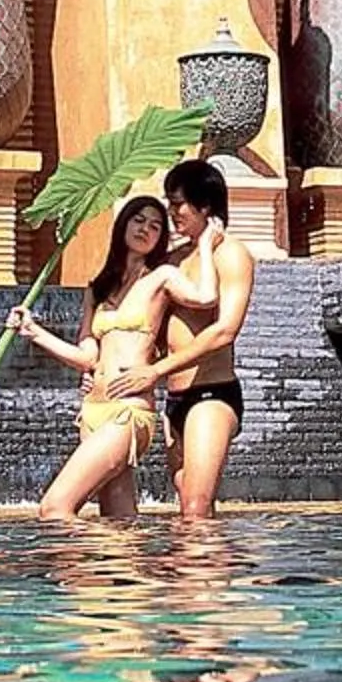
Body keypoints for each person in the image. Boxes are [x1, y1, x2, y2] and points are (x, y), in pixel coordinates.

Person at [8, 195, 185, 521]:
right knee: (118, 522)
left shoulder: (162, 278)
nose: (145, 228)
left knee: (55, 508)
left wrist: (205, 244)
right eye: (139, 220)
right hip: (92, 412)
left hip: (127, 412)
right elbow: (87, 356)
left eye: (156, 226)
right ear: (123, 225)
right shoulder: (98, 288)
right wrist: (34, 331)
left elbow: (207, 298)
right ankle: (130, 572)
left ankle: (79, 572)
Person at [96, 158, 255, 519]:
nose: (171, 212)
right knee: (187, 498)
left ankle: (205, 575)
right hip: (175, 398)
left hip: (211, 394)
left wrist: (155, 371)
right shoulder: (172, 258)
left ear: (205, 205)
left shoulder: (231, 255)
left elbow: (225, 331)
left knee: (195, 505)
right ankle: (199, 576)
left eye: (178, 203)